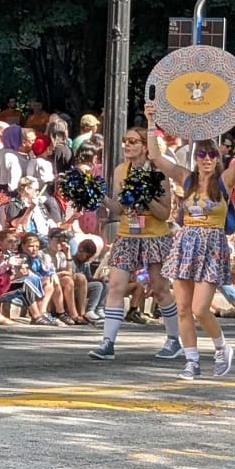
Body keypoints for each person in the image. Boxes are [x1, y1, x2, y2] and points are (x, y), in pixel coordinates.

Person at [144, 101, 235, 380]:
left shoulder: (223, 181)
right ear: (196, 157)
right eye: (201, 154)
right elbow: (156, 158)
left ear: (217, 159)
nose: (206, 159)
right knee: (183, 309)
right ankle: (191, 361)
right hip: (186, 245)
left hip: (212, 247)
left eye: (211, 155)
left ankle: (221, 347)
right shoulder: (186, 179)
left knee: (201, 309)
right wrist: (151, 121)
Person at [88, 123, 181, 362]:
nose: (127, 145)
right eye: (126, 141)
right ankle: (107, 342)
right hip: (127, 234)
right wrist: (100, 198)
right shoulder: (121, 170)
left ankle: (174, 339)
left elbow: (164, 213)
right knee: (116, 286)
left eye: (133, 141)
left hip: (154, 236)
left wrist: (145, 198)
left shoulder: (158, 173)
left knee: (160, 290)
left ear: (144, 147)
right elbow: (119, 208)